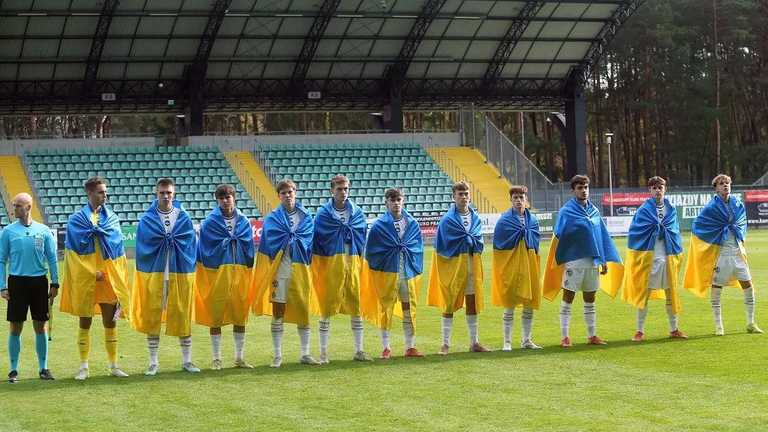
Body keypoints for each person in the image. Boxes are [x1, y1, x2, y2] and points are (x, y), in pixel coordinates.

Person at [60, 177, 131, 380]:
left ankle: (114, 365)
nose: (105, 195)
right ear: (89, 193)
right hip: (87, 279)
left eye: (105, 192)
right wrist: (91, 272)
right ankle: (83, 367)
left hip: (108, 279)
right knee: (85, 322)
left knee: (110, 322)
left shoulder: (112, 218)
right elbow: (72, 256)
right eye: (100, 192)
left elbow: (119, 252)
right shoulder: (76, 220)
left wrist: (114, 274)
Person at [542, 175, 623, 348]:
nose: (584, 190)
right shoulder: (566, 211)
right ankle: (565, 336)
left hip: (592, 262)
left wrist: (603, 260)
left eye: (586, 187)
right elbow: (558, 236)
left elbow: (601, 236)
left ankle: (592, 335)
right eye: (580, 187)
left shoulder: (594, 211)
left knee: (590, 298)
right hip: (574, 262)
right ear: (573, 190)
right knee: (568, 297)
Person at [130, 178, 199, 375]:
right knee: (153, 314)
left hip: (180, 273)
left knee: (182, 313)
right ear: (156, 194)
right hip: (155, 273)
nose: (166, 196)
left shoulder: (183, 217)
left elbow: (190, 244)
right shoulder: (147, 219)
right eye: (162, 193)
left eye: (169, 192)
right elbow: (142, 247)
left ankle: (187, 361)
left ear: (174, 194)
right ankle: (153, 362)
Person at [683, 174, 762, 335]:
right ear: (716, 188)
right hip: (721, 255)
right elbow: (698, 225)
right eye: (721, 183)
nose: (725, 185)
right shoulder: (711, 208)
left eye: (727, 183)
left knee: (748, 287)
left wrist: (736, 231)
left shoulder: (737, 203)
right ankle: (719, 327)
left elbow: (741, 223)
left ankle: (751, 323)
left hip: (738, 253)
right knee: (717, 290)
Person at [252, 179, 319, 368]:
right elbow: (269, 242)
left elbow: (309, 240)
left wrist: (294, 240)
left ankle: (305, 353)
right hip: (280, 268)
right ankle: (277, 355)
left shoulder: (306, 216)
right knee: (278, 310)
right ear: (279, 196)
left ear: (295, 193)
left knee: (303, 310)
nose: (288, 195)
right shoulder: (272, 218)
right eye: (284, 193)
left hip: (301, 267)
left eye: (290, 192)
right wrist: (286, 240)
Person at [310, 175, 371, 363]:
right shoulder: (323, 215)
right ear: (332, 190)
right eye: (339, 189)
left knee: (356, 306)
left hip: (352, 263)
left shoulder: (357, 212)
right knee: (326, 307)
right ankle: (323, 353)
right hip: (331, 264)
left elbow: (362, 237)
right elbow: (317, 241)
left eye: (346, 189)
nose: (343, 192)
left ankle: (359, 350)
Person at [195, 184, 256, 370]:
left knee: (240, 315)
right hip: (218, 273)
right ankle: (217, 359)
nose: (225, 200)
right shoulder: (210, 222)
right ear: (217, 200)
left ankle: (239, 358)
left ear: (234, 198)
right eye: (221, 198)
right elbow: (205, 249)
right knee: (216, 316)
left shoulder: (243, 221)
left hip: (239, 273)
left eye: (228, 197)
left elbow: (248, 247)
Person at [360, 188, 425, 359]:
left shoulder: (412, 223)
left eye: (399, 200)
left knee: (408, 308)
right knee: (386, 308)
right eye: (392, 200)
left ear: (403, 201)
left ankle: (410, 346)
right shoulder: (379, 226)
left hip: (407, 272)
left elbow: (417, 247)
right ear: (386, 203)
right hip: (387, 272)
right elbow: (372, 251)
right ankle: (386, 347)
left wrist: (414, 263)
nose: (396, 203)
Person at [0, 193, 58, 382]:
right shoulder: (8, 232)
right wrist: (2, 286)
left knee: (40, 326)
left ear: (28, 207)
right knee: (15, 326)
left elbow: (52, 258)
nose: (14, 208)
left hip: (39, 282)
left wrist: (55, 282)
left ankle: (43, 368)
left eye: (18, 205)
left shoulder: (43, 230)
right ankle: (13, 370)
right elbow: (1, 260)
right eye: (14, 205)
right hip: (17, 283)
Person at [622, 176, 687, 341]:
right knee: (644, 294)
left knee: (671, 293)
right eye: (655, 188)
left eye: (660, 188)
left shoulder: (671, 209)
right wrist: (654, 230)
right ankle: (639, 331)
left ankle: (674, 329)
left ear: (665, 189)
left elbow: (675, 232)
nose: (658, 191)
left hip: (668, 257)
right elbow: (635, 232)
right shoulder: (643, 210)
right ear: (649, 190)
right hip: (650, 257)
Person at [427, 181, 489, 354]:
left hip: (472, 264)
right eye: (460, 194)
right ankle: (445, 344)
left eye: (466, 194)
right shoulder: (447, 220)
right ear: (453, 197)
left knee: (472, 302)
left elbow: (478, 240)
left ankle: (474, 342)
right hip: (453, 265)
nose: (463, 197)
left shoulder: (475, 218)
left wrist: (472, 243)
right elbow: (441, 245)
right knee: (448, 303)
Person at [491, 185, 543, 350]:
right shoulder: (504, 221)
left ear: (526, 199)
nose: (519, 200)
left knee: (529, 304)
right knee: (510, 303)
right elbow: (498, 246)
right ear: (511, 200)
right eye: (516, 198)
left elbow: (535, 243)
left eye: (521, 197)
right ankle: (507, 342)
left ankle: (526, 340)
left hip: (529, 264)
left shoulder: (533, 221)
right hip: (511, 266)